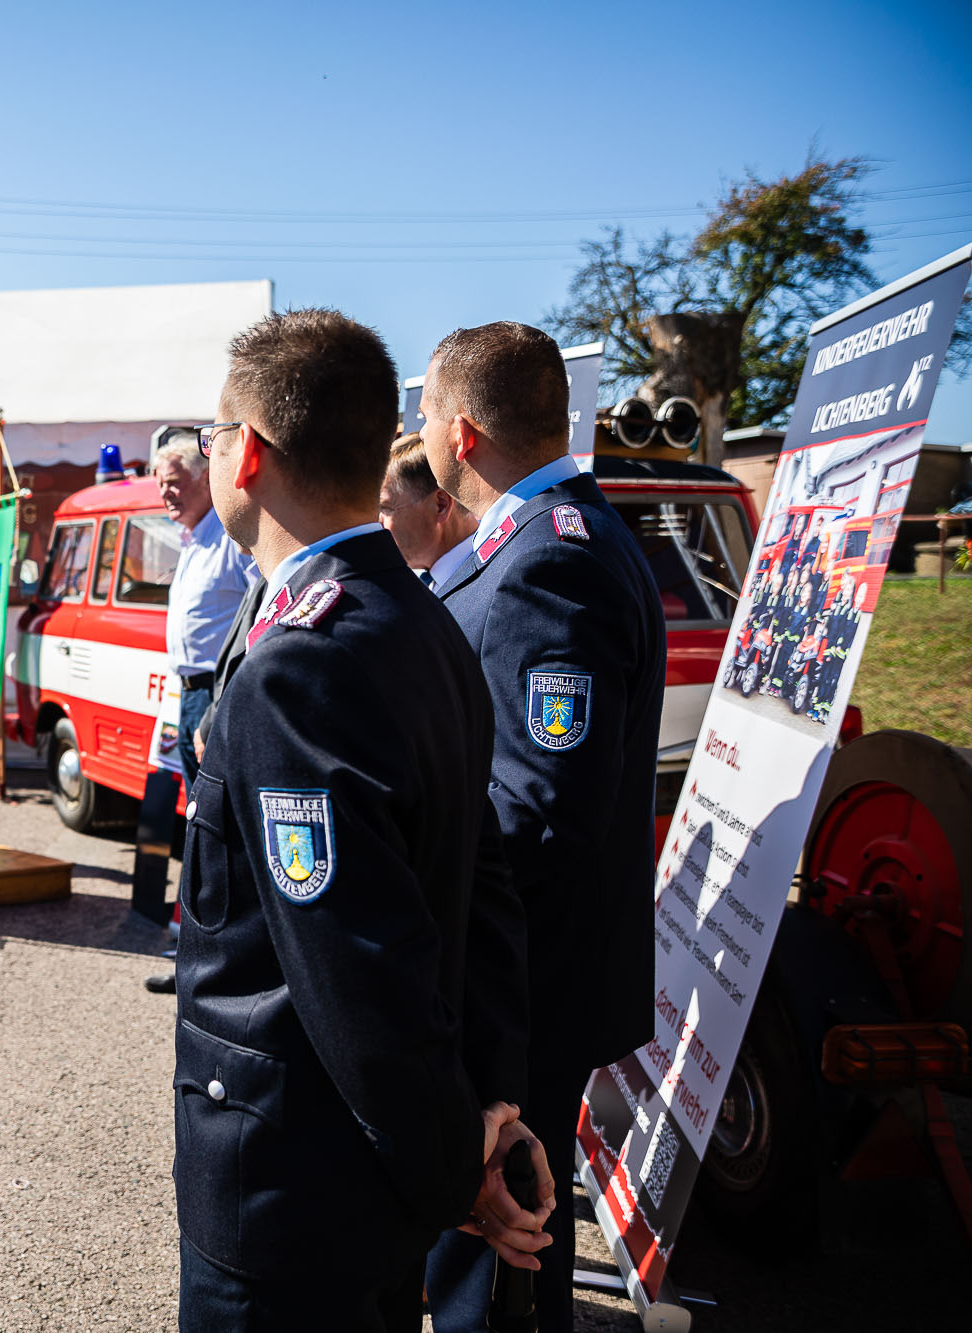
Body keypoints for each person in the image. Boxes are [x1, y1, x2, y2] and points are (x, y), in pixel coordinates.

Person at [175, 308, 547, 1330]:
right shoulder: (421, 614)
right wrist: (489, 1115)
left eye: (209, 434)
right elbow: (486, 893)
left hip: (289, 1193)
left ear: (246, 453)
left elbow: (356, 965)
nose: (207, 453)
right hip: (362, 1186)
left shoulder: (303, 660)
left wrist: (458, 1170)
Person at [418, 321, 666, 1333]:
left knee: (491, 1272)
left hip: (515, 991)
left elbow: (535, 809)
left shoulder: (542, 562)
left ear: (462, 432)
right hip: (534, 976)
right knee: (508, 1262)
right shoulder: (559, 535)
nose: (418, 432)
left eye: (423, 413)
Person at [154, 435, 254, 787]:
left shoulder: (229, 537)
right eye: (160, 484)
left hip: (217, 696)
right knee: (198, 803)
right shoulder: (191, 539)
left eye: (173, 483)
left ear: (205, 478)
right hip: (187, 694)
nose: (165, 493)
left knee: (216, 803)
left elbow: (258, 614)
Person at [379, 431, 478, 591]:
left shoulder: (495, 582)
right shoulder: (413, 584)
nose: (378, 523)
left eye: (386, 509)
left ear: (440, 505)